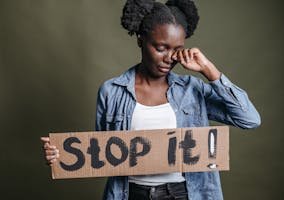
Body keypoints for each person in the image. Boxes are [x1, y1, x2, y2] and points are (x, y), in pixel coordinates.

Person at [41, 0, 261, 199]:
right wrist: (61, 155)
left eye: (177, 50)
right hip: (130, 193)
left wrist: (209, 70)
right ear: (141, 40)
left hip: (184, 193)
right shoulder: (111, 91)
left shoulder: (193, 90)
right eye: (160, 48)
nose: (169, 58)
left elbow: (249, 119)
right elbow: (100, 153)